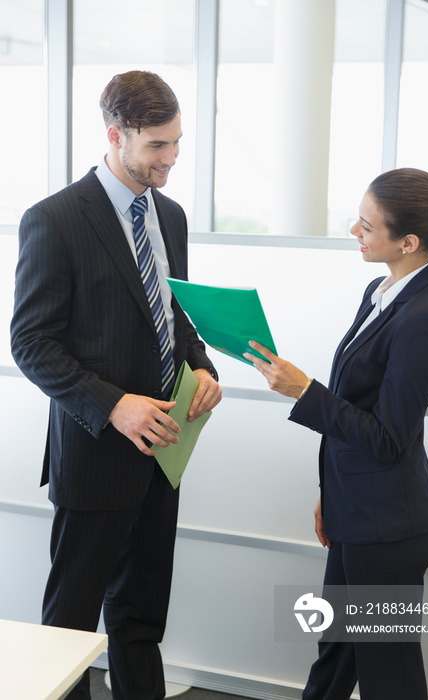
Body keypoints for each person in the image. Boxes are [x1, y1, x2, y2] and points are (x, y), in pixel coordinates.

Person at [10, 70, 222, 700]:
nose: (172, 158)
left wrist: (202, 365)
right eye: (158, 145)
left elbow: (174, 313)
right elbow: (31, 344)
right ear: (116, 135)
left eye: (177, 142)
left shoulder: (171, 216)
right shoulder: (54, 219)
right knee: (70, 629)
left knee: (139, 619)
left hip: (164, 451)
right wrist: (115, 407)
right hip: (96, 453)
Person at [244, 168, 428, 700]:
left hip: (389, 527)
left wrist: (304, 391)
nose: (354, 232)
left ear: (408, 241)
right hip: (357, 510)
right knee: (336, 652)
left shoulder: (425, 318)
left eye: (367, 226)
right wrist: (332, 496)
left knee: (390, 677)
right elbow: (359, 405)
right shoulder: (382, 289)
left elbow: (388, 437)